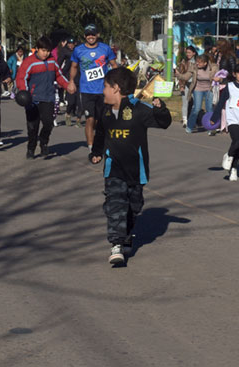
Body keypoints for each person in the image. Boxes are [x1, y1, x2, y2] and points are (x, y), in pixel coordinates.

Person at [89, 67, 172, 266]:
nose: (103, 91)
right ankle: (116, 244)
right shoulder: (106, 110)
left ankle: (126, 234)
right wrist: (96, 152)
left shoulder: (140, 109)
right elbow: (101, 132)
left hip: (137, 170)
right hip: (113, 168)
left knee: (134, 207)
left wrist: (160, 108)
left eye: (106, 87)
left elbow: (164, 122)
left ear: (116, 88)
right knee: (115, 204)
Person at [16, 36, 73, 159]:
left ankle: (44, 142)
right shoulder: (29, 62)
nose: (45, 53)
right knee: (32, 126)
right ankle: (31, 148)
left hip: (48, 97)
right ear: (37, 49)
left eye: (48, 51)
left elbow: (59, 76)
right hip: (32, 99)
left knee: (48, 123)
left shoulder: (52, 61)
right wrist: (24, 93)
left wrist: (67, 86)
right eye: (43, 50)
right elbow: (21, 78)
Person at [69, 24, 118, 152]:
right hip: (86, 91)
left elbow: (114, 65)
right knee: (90, 119)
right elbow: (74, 67)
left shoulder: (105, 49)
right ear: (84, 36)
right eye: (88, 34)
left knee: (101, 120)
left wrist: (116, 81)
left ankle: (101, 141)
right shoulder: (78, 50)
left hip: (103, 90)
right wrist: (71, 82)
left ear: (98, 35)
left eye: (93, 34)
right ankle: (92, 147)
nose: (90, 36)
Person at [184, 53, 217, 133]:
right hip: (198, 89)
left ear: (205, 63)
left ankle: (210, 128)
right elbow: (186, 76)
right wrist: (179, 75)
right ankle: (190, 126)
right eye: (197, 61)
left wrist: (219, 79)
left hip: (209, 89)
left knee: (209, 108)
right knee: (197, 108)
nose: (197, 63)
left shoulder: (213, 67)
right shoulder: (194, 67)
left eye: (199, 62)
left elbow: (220, 76)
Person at [176, 45, 197, 128]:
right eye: (187, 52)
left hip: (195, 84)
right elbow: (181, 73)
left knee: (195, 103)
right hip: (186, 84)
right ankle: (185, 120)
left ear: (194, 53)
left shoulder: (197, 62)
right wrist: (181, 85)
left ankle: (192, 120)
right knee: (185, 102)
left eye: (189, 52)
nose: (188, 54)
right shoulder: (184, 62)